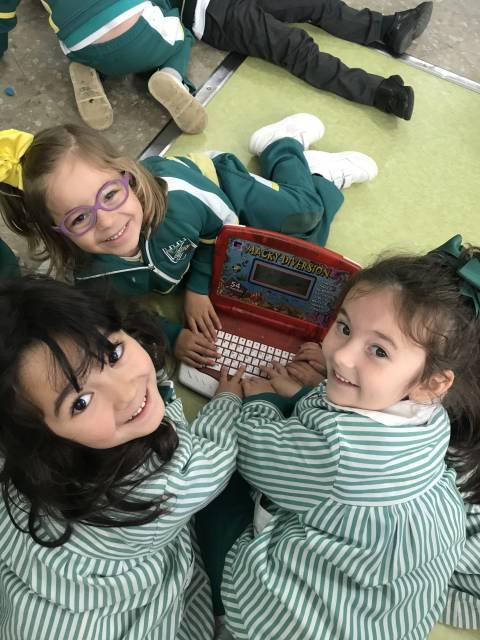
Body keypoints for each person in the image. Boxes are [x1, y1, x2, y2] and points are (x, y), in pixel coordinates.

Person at [200, 234, 480, 639]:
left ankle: (223, 614)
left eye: (378, 351)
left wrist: (256, 402)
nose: (343, 355)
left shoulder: (336, 452)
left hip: (300, 621)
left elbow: (255, 454)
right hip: (383, 615)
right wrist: (316, 390)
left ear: (431, 383)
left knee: (214, 485)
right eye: (345, 327)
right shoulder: (432, 417)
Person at [0, 114, 378, 366]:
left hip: (215, 184)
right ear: (58, 230)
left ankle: (286, 148)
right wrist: (171, 336)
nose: (108, 222)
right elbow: (118, 312)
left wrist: (197, 288)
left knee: (304, 217)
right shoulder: (83, 275)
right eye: (80, 218)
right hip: (205, 222)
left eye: (111, 195)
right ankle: (311, 175)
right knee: (305, 248)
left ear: (128, 175)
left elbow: (223, 232)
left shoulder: (180, 199)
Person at [0, 274, 245, 640]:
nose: (126, 391)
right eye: (81, 403)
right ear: (42, 437)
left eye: (112, 354)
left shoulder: (19, 446)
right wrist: (228, 400)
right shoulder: (160, 486)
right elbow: (217, 459)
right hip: (93, 615)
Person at [181, 0, 434, 121]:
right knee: (295, 47)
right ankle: (380, 93)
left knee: (317, 3)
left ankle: (389, 28)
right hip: (211, 12)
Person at [0, 0, 207, 133]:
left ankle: (90, 69)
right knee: (181, 33)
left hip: (80, 45)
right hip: (134, 24)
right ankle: (171, 75)